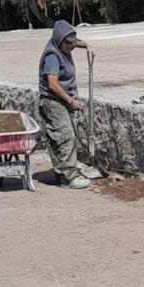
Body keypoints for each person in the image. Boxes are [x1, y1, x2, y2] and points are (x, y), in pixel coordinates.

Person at [38, 20, 96, 190]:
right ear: (59, 41)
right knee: (66, 136)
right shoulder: (52, 56)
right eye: (68, 44)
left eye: (73, 43)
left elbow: (74, 42)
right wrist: (70, 100)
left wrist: (88, 46)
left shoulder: (65, 43)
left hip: (61, 100)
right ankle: (69, 177)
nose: (72, 47)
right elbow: (53, 84)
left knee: (61, 137)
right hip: (53, 101)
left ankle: (61, 173)